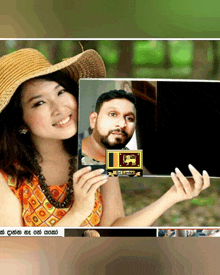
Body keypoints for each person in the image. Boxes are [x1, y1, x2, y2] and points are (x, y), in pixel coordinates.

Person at [0, 48, 210, 227]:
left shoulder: (99, 156)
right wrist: (78, 212)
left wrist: (172, 196)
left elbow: (114, 228)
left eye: (61, 92)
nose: (60, 108)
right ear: (20, 121)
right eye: (39, 103)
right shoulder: (6, 176)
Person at [80, 90, 137, 166]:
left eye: (129, 118)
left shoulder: (128, 156)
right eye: (113, 114)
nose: (122, 124)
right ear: (93, 119)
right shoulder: (72, 156)